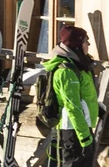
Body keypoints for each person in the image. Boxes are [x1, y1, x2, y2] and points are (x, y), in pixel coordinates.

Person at [43, 25, 101, 167]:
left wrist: (99, 109)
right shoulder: (66, 71)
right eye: (86, 41)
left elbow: (84, 98)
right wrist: (85, 138)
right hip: (72, 131)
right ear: (76, 44)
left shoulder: (79, 66)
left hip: (81, 128)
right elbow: (72, 106)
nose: (88, 44)